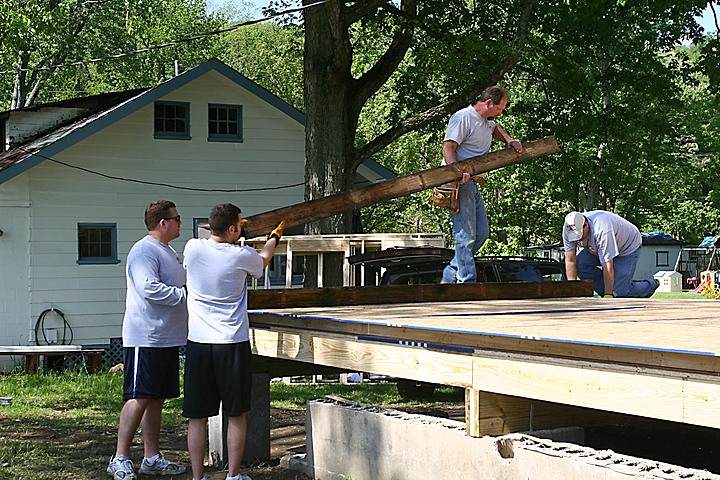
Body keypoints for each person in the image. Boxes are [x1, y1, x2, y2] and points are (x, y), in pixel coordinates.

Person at [182, 203, 285, 480]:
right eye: (238, 225)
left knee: (197, 416)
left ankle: (197, 477)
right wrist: (273, 238)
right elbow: (263, 260)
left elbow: (215, 244)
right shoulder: (242, 255)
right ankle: (233, 475)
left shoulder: (192, 248)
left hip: (199, 343)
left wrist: (237, 231)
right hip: (231, 342)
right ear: (231, 229)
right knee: (236, 413)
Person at [107, 200, 188, 480]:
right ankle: (119, 457)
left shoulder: (167, 251)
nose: (180, 222)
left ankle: (151, 458)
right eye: (177, 218)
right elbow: (149, 288)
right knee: (139, 396)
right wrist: (185, 295)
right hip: (146, 336)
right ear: (162, 222)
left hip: (166, 337)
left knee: (156, 399)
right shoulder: (144, 251)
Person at [441, 85, 523, 284]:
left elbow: (495, 129)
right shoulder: (463, 118)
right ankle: (466, 282)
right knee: (465, 234)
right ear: (488, 103)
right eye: (500, 108)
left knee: (482, 233)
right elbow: (448, 147)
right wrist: (456, 172)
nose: (501, 112)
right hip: (459, 183)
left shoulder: (487, 121)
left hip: (473, 181)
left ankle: (450, 275)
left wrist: (510, 140)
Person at [563, 210, 659, 298]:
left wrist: (608, 295)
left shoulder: (602, 230)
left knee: (618, 294)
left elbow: (608, 266)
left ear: (586, 225)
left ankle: (650, 285)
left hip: (627, 246)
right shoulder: (568, 229)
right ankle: (617, 286)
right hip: (598, 247)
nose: (577, 239)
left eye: (579, 235)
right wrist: (573, 288)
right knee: (581, 265)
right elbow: (570, 260)